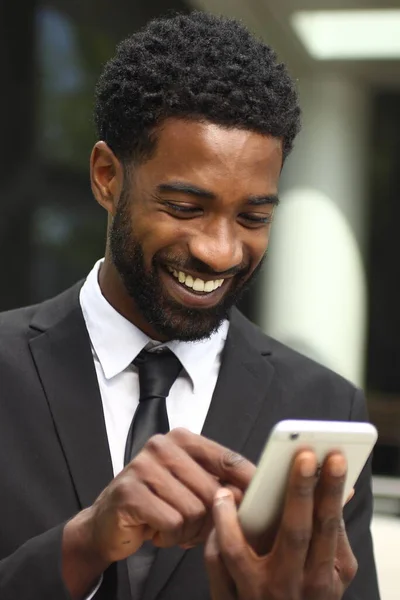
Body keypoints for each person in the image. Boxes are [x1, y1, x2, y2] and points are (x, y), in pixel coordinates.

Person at [0, 10, 379, 600]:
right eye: (184, 207)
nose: (221, 251)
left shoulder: (326, 407)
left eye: (254, 217)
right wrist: (82, 544)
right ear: (106, 177)